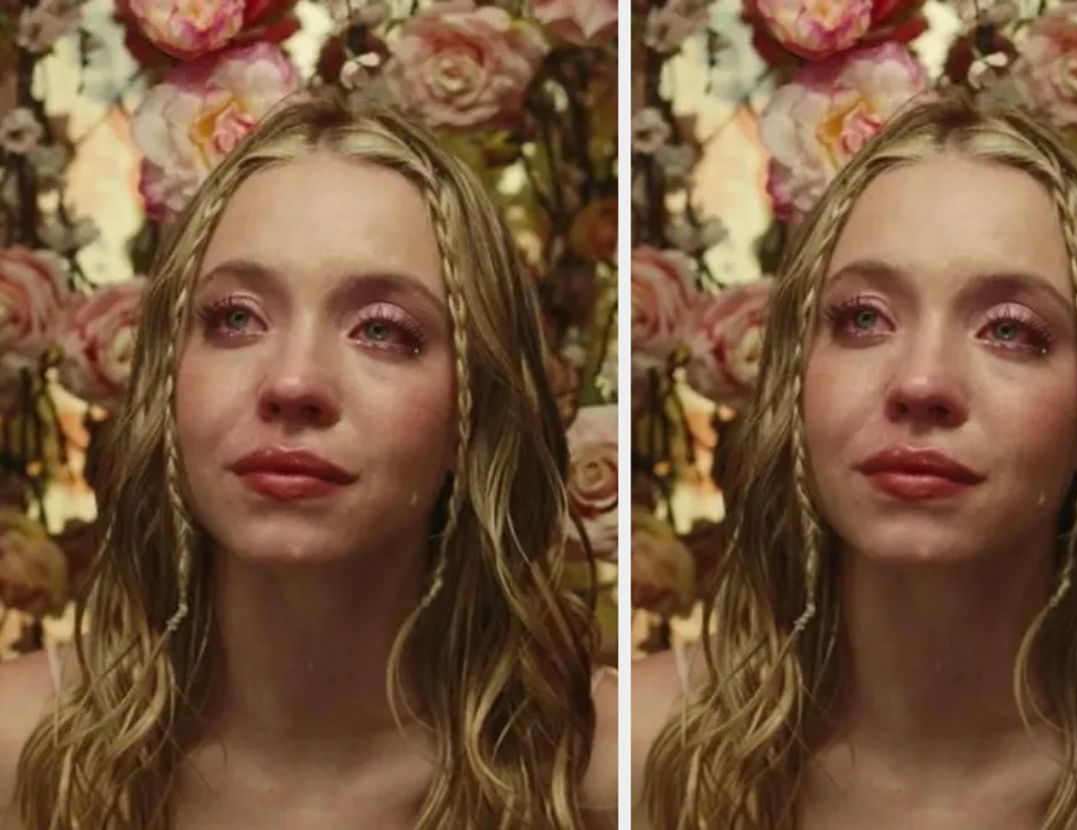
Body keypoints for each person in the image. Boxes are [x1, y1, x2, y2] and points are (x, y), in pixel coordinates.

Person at [632, 91, 1077, 829]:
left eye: (1011, 331)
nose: (922, 382)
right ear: (793, 379)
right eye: (863, 318)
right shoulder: (632, 757)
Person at [0, 91, 616, 830]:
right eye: (236, 319)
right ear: (167, 378)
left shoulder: (607, 776)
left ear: (472, 410)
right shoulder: (18, 752)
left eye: (383, 331)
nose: (294, 383)